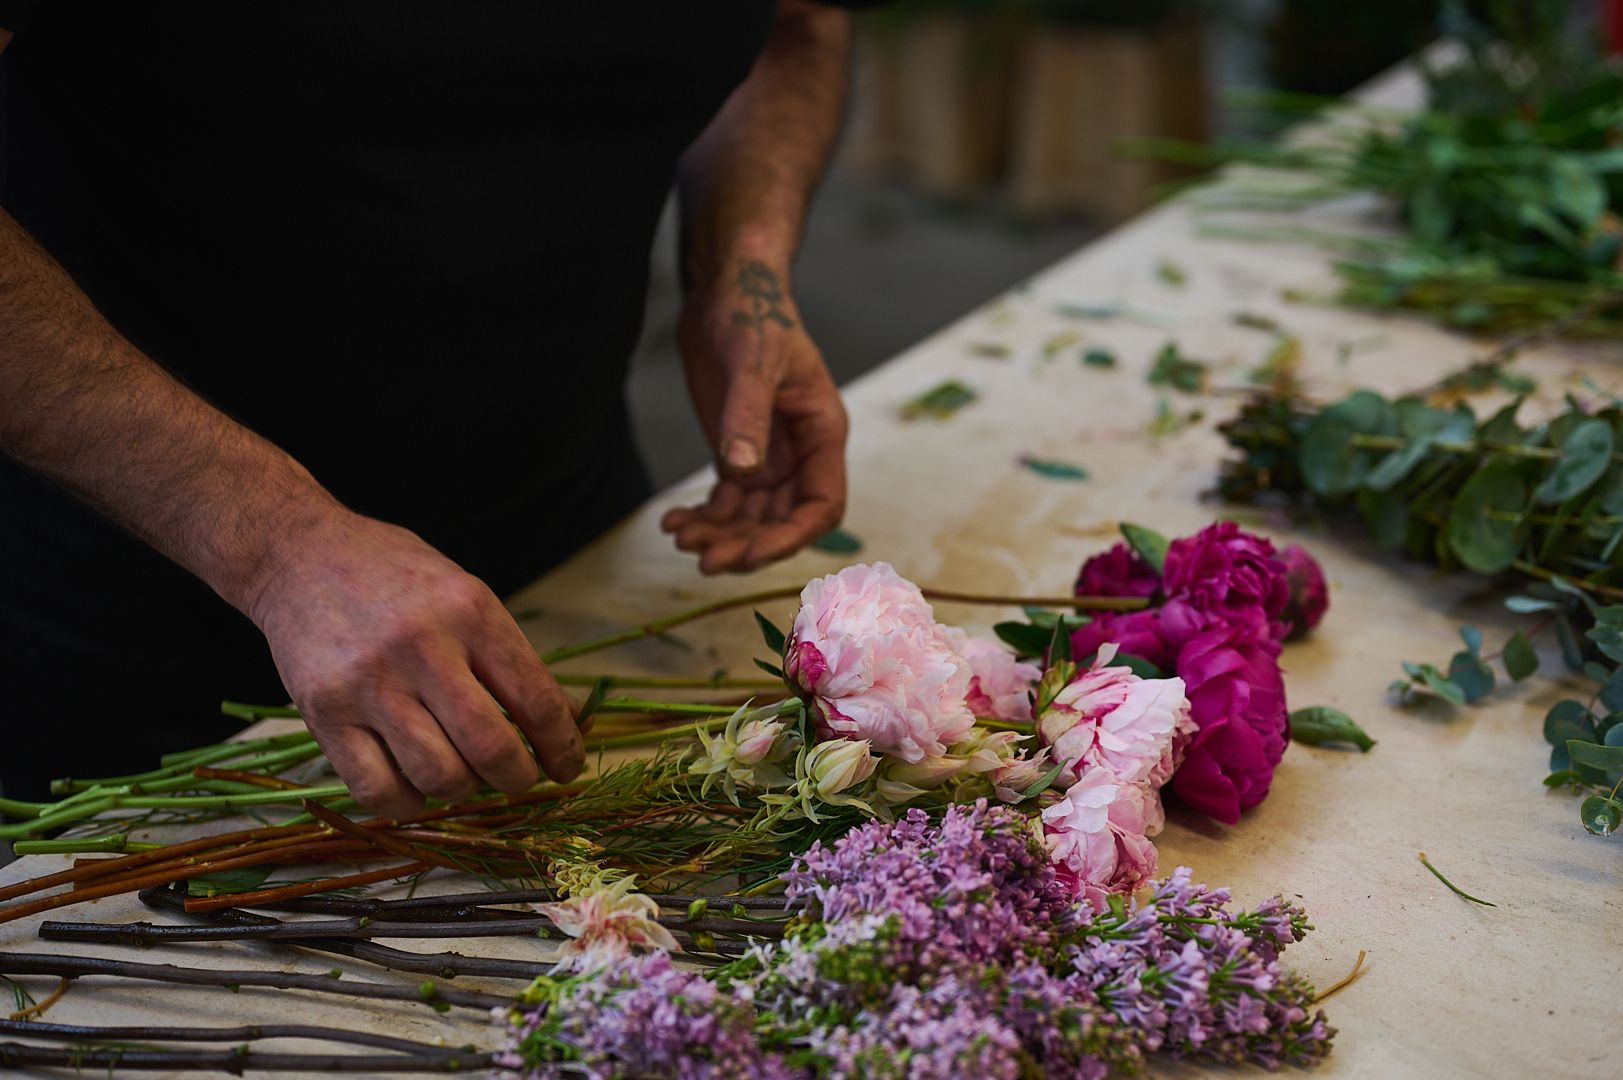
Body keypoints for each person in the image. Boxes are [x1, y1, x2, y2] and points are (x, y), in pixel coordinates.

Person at [0, 3, 854, 812]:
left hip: (567, 542)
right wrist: (273, 541)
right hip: (138, 598)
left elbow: (798, 26)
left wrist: (738, 267)